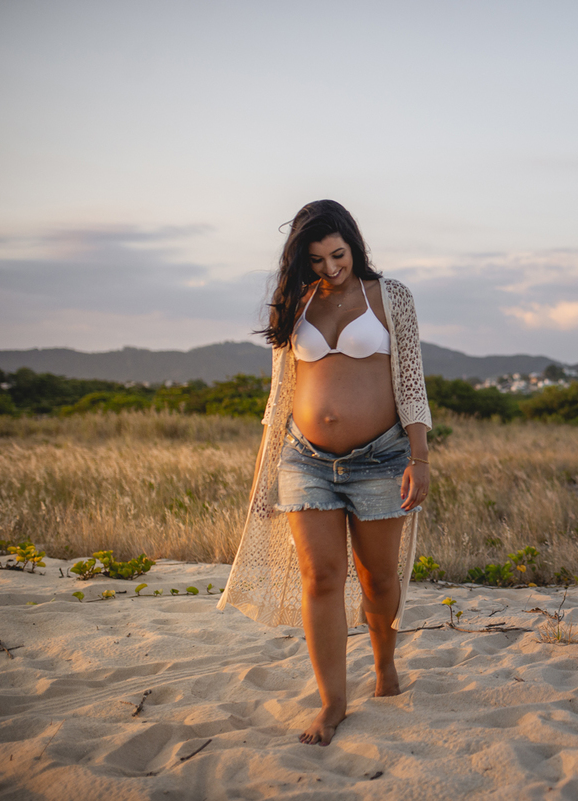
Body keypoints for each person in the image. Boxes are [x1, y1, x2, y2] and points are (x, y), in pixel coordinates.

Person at [218, 200, 432, 746]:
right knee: (321, 578)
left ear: (354, 245)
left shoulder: (390, 296)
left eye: (337, 254)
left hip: (382, 459)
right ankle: (333, 702)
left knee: (378, 579)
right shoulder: (298, 301)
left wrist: (419, 457)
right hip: (304, 459)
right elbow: (280, 394)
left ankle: (384, 664)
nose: (330, 267)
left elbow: (411, 382)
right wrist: (263, 474)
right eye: (316, 259)